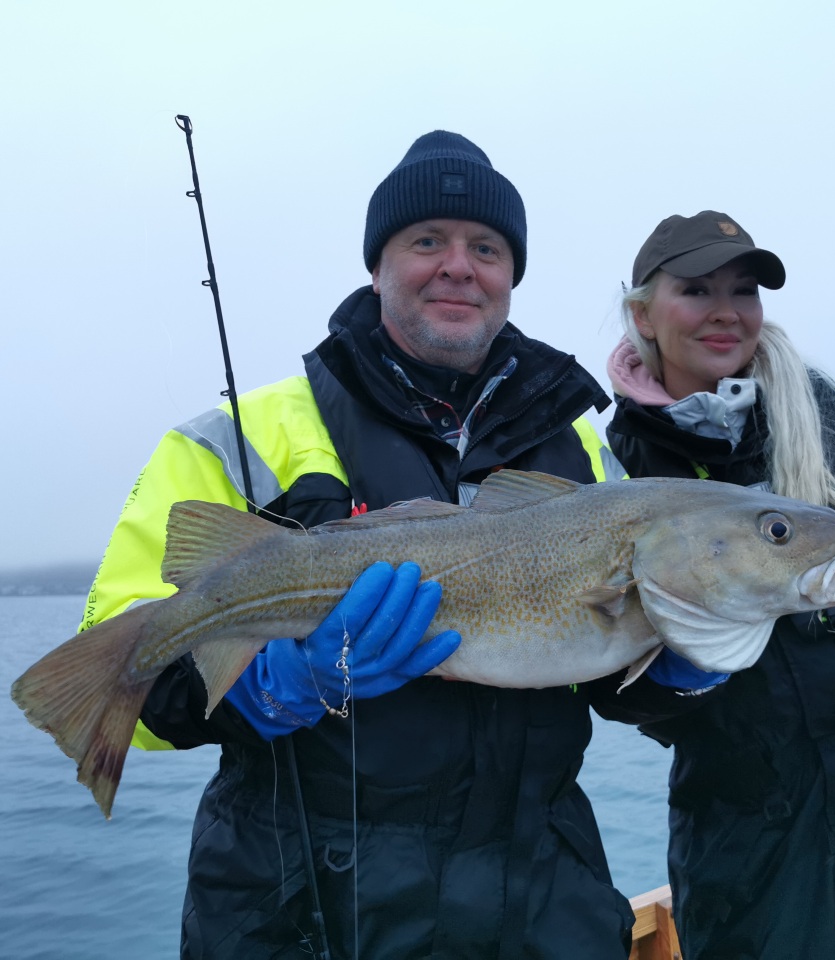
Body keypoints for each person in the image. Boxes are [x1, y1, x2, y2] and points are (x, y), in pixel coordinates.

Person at [82, 131, 639, 960]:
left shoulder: (583, 455)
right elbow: (118, 647)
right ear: (377, 267)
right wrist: (256, 689)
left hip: (543, 906)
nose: (459, 266)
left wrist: (683, 654)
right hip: (303, 906)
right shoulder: (240, 436)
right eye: (426, 242)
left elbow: (618, 688)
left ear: (511, 277)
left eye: (486, 248)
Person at [603, 210, 835, 959]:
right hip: (754, 842)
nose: (727, 311)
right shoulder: (611, 469)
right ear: (642, 313)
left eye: (744, 290)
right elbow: (597, 678)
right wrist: (674, 679)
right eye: (697, 290)